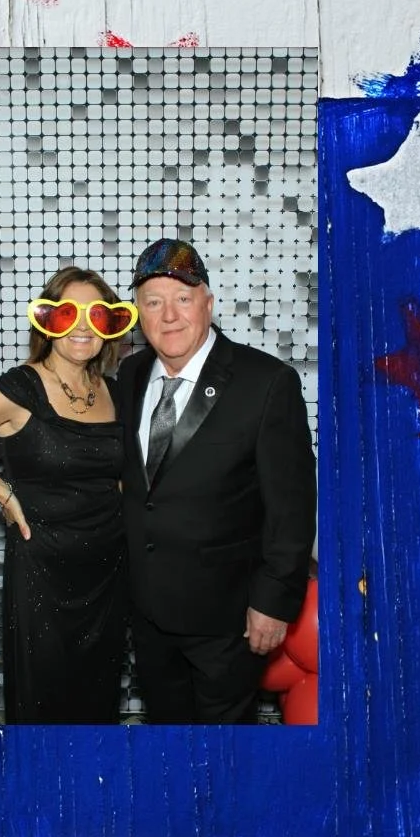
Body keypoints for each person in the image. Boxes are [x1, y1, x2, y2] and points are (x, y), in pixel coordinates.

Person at [0, 266, 137, 723]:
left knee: (98, 694)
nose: (82, 326)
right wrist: (2, 492)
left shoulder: (111, 390)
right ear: (47, 320)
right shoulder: (21, 388)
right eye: (69, 313)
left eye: (96, 315)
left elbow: (118, 476)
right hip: (44, 568)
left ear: (111, 326)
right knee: (44, 698)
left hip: (107, 570)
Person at [118, 238, 317, 725]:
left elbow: (291, 508)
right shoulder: (130, 373)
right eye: (153, 302)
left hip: (228, 620)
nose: (169, 316)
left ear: (208, 303)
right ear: (138, 314)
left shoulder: (266, 383)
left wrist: (274, 603)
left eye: (183, 298)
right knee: (167, 737)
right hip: (148, 615)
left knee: (226, 749)